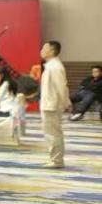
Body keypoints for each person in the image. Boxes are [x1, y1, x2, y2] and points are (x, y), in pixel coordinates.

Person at [39, 40, 70, 168]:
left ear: (51, 51)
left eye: (44, 48)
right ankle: (55, 159)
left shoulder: (55, 66)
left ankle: (57, 160)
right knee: (51, 134)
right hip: (49, 105)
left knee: (53, 134)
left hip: (52, 106)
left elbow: (61, 87)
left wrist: (65, 103)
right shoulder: (51, 65)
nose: (41, 50)